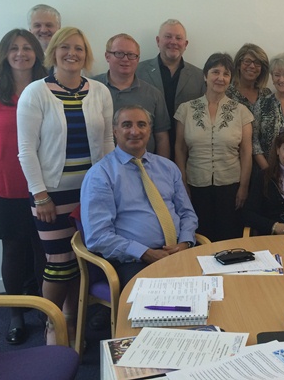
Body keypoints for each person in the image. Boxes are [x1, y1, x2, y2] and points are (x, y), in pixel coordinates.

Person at [17, 26, 114, 345]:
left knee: (81, 260)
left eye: (79, 48)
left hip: (91, 191)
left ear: (87, 55)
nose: (72, 53)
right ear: (54, 52)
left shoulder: (100, 91)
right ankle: (52, 323)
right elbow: (27, 149)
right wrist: (39, 194)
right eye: (65, 47)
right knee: (59, 263)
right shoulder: (36, 92)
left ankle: (72, 323)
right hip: (52, 195)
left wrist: (112, 184)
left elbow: (107, 140)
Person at [0, 29, 47, 345]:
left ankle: (46, 311)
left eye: (27, 48)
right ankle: (15, 313)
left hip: (44, 184)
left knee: (45, 251)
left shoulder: (47, 88)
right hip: (5, 186)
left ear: (37, 54)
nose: (21, 53)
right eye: (14, 48)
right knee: (13, 251)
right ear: (5, 54)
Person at [80, 105, 198, 289]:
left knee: (217, 287)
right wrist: (144, 252)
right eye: (127, 125)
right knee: (160, 305)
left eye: (141, 125)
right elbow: (98, 236)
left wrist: (184, 242)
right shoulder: (100, 175)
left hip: (179, 251)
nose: (135, 131)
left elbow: (187, 214)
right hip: (134, 261)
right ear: (115, 131)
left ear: (149, 130)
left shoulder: (167, 167)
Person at [174, 53, 253, 241]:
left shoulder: (241, 111)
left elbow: (246, 151)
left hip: (230, 187)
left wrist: (243, 186)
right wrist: (182, 184)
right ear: (205, 75)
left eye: (226, 74)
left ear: (230, 79)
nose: (220, 78)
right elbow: (180, 148)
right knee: (200, 237)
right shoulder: (186, 109)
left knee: (228, 237)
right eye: (215, 72)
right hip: (195, 185)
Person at [136, 19, 205, 158]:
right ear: (158, 40)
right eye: (168, 37)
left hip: (188, 152)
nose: (173, 42)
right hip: (147, 150)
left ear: (185, 44)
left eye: (178, 38)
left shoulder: (199, 76)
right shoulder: (138, 72)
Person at [94, 33, 170, 156]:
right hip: (99, 166)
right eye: (119, 53)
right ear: (107, 56)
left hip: (142, 168)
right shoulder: (91, 88)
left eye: (131, 55)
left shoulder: (153, 94)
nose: (125, 59)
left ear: (138, 59)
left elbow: (161, 137)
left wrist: (161, 169)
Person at [226, 43, 272, 112]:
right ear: (239, 64)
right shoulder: (227, 93)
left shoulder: (266, 94)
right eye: (247, 61)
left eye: (257, 62)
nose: (252, 66)